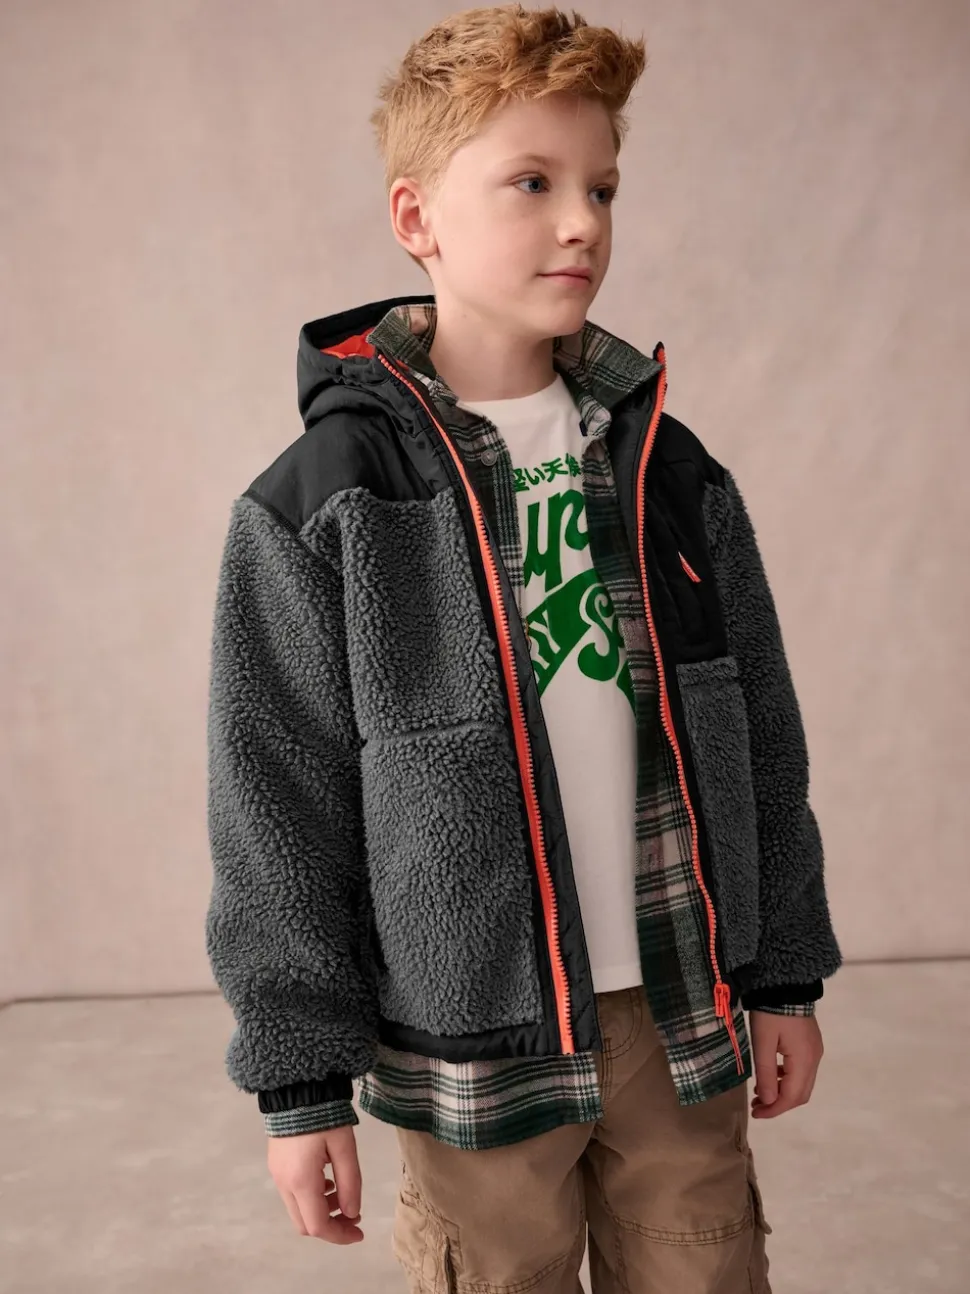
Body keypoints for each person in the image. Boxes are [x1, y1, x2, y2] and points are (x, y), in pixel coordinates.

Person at [204, 5, 842, 1290]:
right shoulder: (324, 502)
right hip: (473, 1040)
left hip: (677, 1006)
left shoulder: (666, 467)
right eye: (532, 183)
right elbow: (275, 806)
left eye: (600, 187)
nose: (581, 223)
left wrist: (783, 975)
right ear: (416, 217)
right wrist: (299, 1083)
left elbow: (761, 733)